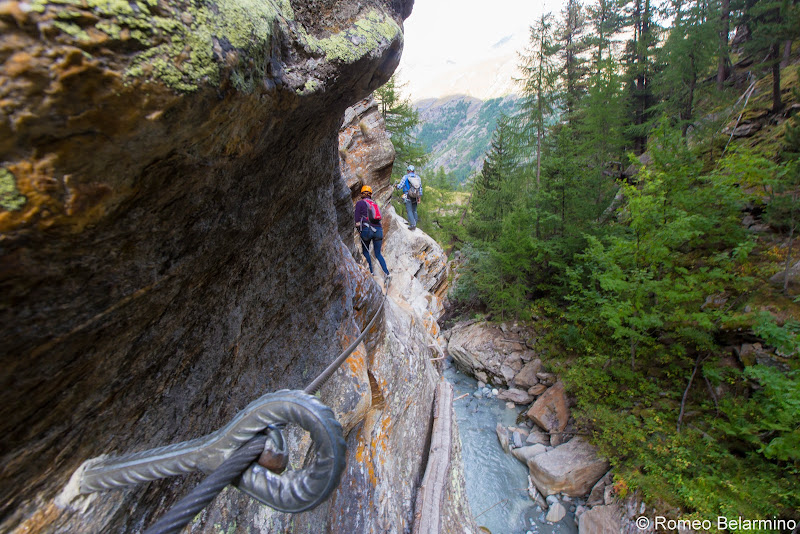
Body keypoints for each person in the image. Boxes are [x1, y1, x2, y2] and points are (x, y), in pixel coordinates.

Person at [354, 185, 390, 277]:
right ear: (370, 194)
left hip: (367, 230)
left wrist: (358, 228)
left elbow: (357, 221)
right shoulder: (374, 204)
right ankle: (387, 273)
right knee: (378, 254)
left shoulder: (360, 203)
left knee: (366, 251)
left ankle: (371, 272)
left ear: (362, 194)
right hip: (378, 230)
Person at [397, 164, 422, 230]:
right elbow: (420, 188)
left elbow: (400, 186)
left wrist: (396, 186)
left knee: (409, 210)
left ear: (408, 171)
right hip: (415, 196)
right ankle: (415, 223)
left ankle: (412, 225)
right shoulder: (418, 178)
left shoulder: (405, 177)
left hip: (407, 196)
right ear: (413, 171)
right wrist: (419, 197)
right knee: (414, 210)